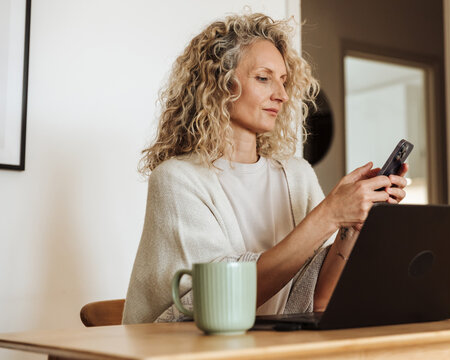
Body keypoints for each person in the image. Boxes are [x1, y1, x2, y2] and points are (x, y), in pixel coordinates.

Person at [122, 13, 408, 324]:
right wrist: (330, 213)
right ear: (219, 83)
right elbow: (222, 299)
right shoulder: (177, 179)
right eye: (263, 78)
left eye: (283, 81)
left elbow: (319, 297)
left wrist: (352, 224)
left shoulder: (297, 175)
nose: (282, 95)